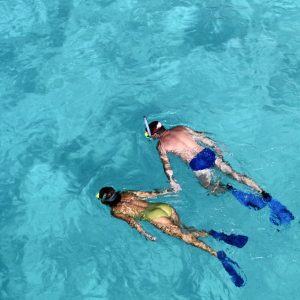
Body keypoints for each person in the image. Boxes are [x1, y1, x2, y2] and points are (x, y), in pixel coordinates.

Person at [143, 120, 294, 226]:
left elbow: (166, 165)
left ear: (156, 134)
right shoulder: (180, 128)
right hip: (208, 153)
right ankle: (261, 191)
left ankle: (228, 188)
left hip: (197, 163)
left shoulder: (161, 145)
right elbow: (202, 137)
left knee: (209, 187)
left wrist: (172, 181)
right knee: (236, 174)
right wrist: (216, 146)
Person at [96, 186, 248, 287]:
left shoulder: (115, 212)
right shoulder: (126, 193)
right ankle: (215, 234)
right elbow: (151, 194)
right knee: (184, 228)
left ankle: (217, 255)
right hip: (163, 207)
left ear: (106, 203)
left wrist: (145, 233)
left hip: (152, 216)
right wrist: (168, 191)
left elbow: (131, 222)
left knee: (185, 237)